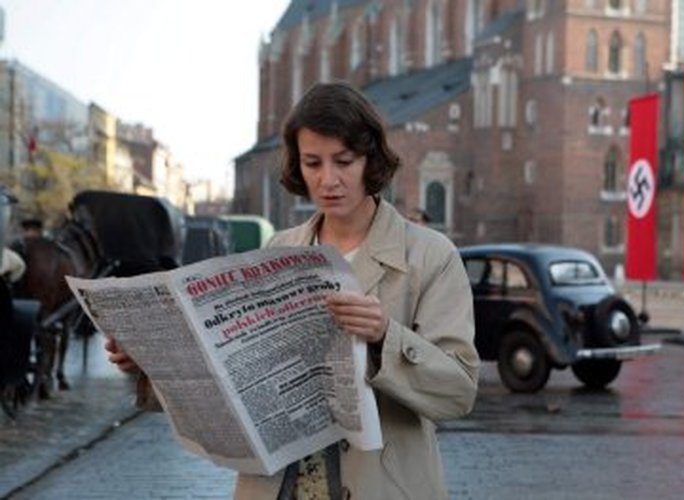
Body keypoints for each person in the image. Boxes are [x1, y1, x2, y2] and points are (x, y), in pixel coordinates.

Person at [105, 81, 479, 499]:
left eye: (344, 161)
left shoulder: (431, 254)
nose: (328, 180)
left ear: (370, 160)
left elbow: (459, 391)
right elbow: (234, 378)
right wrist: (150, 362)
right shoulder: (277, 249)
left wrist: (385, 337)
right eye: (312, 163)